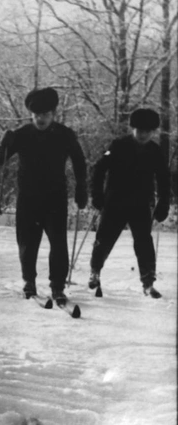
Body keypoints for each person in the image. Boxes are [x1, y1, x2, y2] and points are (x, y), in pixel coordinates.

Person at [0, 87, 88, 304]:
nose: (41, 119)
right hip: (28, 198)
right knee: (27, 243)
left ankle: (57, 287)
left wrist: (82, 188)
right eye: (37, 115)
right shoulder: (22, 134)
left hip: (55, 198)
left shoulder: (65, 134)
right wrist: (2, 145)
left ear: (53, 114)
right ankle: (29, 282)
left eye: (45, 115)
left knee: (58, 244)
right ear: (31, 115)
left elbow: (79, 161)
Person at [88, 108, 170, 298]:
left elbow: (164, 178)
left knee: (144, 243)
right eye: (139, 131)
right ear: (132, 129)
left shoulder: (154, 150)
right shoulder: (118, 145)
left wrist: (163, 203)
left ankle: (148, 281)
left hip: (141, 203)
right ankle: (95, 272)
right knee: (105, 238)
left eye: (148, 132)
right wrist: (97, 194)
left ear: (153, 132)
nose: (143, 135)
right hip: (115, 201)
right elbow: (99, 169)